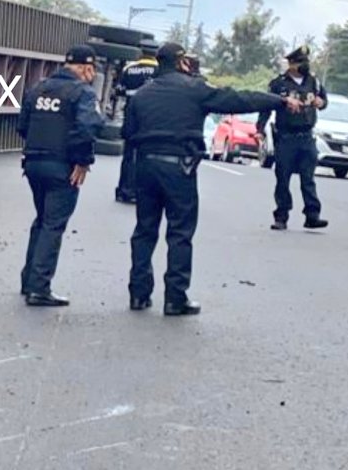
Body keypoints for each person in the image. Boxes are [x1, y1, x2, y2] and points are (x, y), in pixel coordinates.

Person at [123, 42, 302, 315]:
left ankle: (138, 294)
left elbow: (127, 133)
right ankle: (175, 298)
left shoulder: (142, 94)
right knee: (180, 233)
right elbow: (241, 100)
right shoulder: (195, 89)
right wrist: (279, 101)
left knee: (145, 230)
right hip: (179, 168)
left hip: (146, 165)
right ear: (182, 62)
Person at [17, 44, 105, 306]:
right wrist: (82, 161)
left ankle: (28, 281)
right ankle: (39, 288)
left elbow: (22, 125)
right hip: (62, 167)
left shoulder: (38, 88)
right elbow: (89, 127)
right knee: (53, 224)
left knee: (42, 220)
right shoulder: (83, 93)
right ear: (87, 68)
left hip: (33, 163)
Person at [255, 45, 330, 231]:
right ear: (291, 64)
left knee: (308, 178)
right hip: (286, 137)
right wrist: (260, 129)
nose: (305, 65)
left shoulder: (314, 82)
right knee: (283, 178)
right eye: (300, 62)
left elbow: (323, 100)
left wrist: (321, 103)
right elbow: (266, 107)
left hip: (306, 136)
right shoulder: (279, 84)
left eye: (306, 61)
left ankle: (312, 215)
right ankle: (281, 216)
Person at [114, 40, 160, 203]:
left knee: (128, 155)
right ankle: (139, 192)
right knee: (146, 156)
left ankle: (123, 190)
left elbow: (119, 91)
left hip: (131, 116)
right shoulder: (160, 71)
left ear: (140, 52)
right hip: (152, 119)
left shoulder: (129, 69)